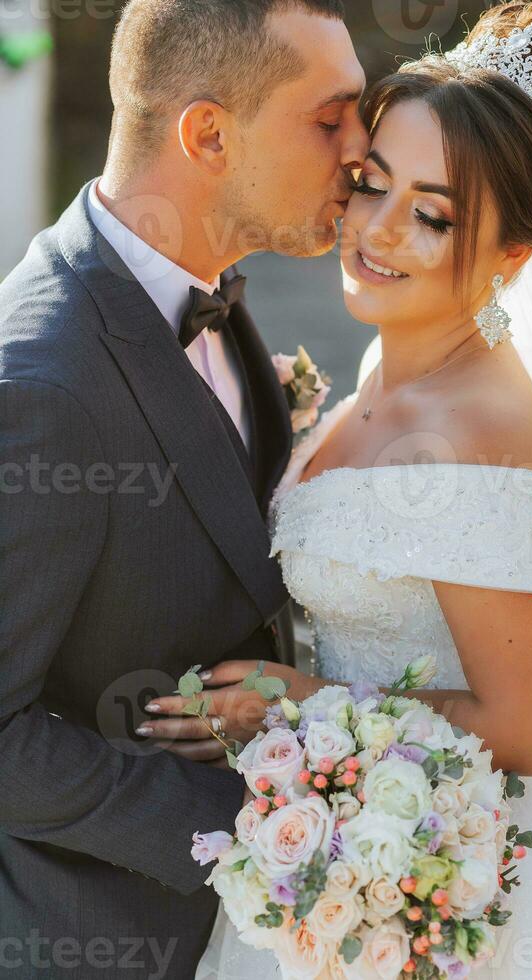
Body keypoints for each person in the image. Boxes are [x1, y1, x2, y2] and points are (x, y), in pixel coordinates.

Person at [150, 2, 532, 977]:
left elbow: (530, 729)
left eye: (431, 215)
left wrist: (301, 701)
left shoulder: (481, 433)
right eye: (372, 184)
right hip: (321, 825)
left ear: (516, 255)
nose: (375, 232)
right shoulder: (400, 356)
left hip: (429, 879)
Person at [0, 0, 367, 976]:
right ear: (207, 132)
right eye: (329, 119)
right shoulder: (40, 384)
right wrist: (254, 824)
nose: (362, 153)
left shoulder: (210, 289)